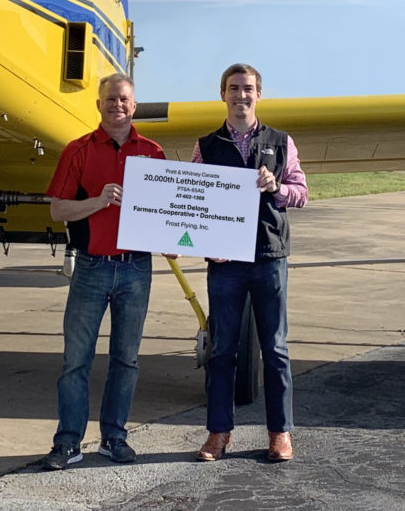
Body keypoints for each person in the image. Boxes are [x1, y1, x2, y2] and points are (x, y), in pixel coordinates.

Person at [42, 73, 165, 470]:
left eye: (124, 100)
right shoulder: (78, 151)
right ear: (98, 105)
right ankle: (68, 442)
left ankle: (114, 437)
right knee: (76, 359)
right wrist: (97, 201)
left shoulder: (153, 152)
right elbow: (58, 209)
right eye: (110, 99)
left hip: (135, 269)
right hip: (92, 267)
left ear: (134, 105)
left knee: (126, 359)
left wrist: (179, 238)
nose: (117, 105)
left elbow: (168, 211)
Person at [192, 63, 308, 463]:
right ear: (222, 94)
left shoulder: (281, 141)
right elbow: (193, 201)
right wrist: (188, 238)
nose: (241, 95)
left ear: (259, 94)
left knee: (275, 348)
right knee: (222, 349)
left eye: (248, 89)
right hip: (225, 262)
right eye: (234, 88)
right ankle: (218, 433)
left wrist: (276, 187)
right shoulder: (206, 146)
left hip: (268, 257)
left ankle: (280, 433)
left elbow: (301, 193)